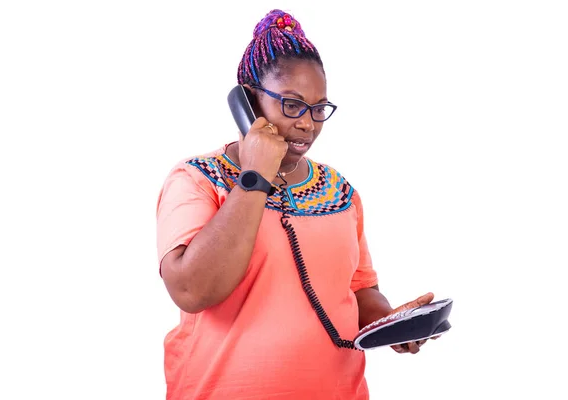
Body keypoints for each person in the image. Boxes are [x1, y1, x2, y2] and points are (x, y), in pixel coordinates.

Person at [156, 9, 436, 400]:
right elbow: (192, 290)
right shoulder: (196, 180)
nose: (308, 123)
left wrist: (390, 323)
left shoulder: (339, 191)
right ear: (249, 100)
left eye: (319, 108)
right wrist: (256, 175)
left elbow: (360, 293)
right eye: (291, 104)